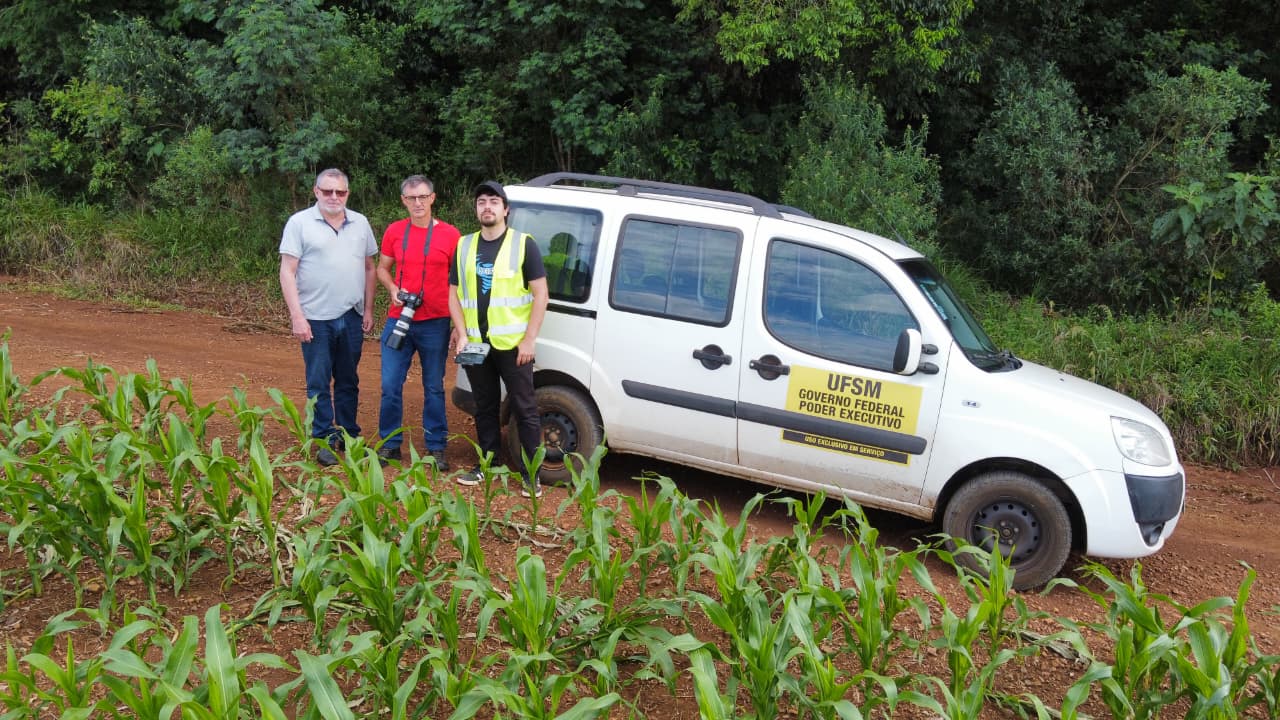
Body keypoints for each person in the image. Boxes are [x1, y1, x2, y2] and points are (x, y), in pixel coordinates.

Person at [448, 181, 549, 497]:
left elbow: (541, 293)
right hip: (476, 342)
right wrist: (462, 333)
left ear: (506, 210)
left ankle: (532, 475)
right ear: (476, 209)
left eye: (494, 201)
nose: (487, 206)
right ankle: (487, 465)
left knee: (524, 407)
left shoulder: (523, 244)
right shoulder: (463, 246)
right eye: (481, 202)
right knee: (484, 406)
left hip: (514, 344)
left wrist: (530, 339)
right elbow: (453, 294)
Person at [279, 168, 378, 466]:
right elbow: (287, 271)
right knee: (319, 381)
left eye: (340, 192)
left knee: (349, 380)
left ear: (348, 193)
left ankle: (348, 434)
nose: (334, 197)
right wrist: (297, 316)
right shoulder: (299, 223)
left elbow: (370, 268)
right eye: (327, 191)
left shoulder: (360, 223)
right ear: (316, 192)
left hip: (351, 316)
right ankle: (323, 437)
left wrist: (369, 309)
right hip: (315, 319)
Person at [375, 175, 461, 470]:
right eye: (411, 198)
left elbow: (458, 284)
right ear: (403, 201)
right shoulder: (395, 232)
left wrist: (456, 324)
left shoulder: (451, 235)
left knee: (434, 386)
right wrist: (392, 289)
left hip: (435, 321)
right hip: (399, 319)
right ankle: (390, 444)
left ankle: (436, 447)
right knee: (389, 384)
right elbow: (382, 269)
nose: (417, 203)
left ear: (433, 198)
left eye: (422, 197)